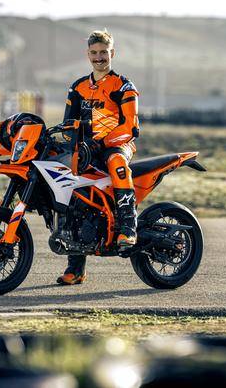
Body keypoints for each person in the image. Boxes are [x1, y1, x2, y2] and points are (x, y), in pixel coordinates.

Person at [57, 29, 140, 285]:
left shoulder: (124, 86)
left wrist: (100, 144)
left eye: (103, 52)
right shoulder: (77, 87)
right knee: (72, 192)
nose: (99, 57)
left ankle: (128, 228)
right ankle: (76, 268)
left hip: (117, 146)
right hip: (86, 150)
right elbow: (67, 125)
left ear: (112, 53)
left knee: (117, 162)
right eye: (94, 53)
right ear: (88, 55)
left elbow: (131, 128)